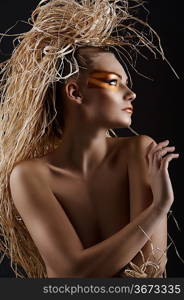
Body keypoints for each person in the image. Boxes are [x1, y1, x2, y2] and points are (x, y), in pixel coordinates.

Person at [0, 0, 179, 278]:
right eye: (112, 82)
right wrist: (158, 208)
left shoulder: (139, 152)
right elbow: (71, 274)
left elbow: (149, 275)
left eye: (126, 83)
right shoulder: (29, 176)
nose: (130, 94)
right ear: (75, 93)